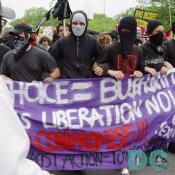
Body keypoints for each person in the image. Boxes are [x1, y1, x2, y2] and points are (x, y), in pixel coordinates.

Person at [0, 1, 51, 175]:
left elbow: (53, 72)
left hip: (35, 104)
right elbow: (10, 164)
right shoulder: (7, 55)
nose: (17, 37)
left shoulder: (42, 55)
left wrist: (45, 79)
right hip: (15, 106)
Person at [49, 10, 102, 79]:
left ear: (86, 25)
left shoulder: (92, 41)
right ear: (71, 24)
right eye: (75, 23)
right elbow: (49, 59)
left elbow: (102, 58)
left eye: (81, 24)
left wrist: (97, 66)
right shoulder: (62, 42)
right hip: (66, 82)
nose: (78, 26)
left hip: (87, 82)